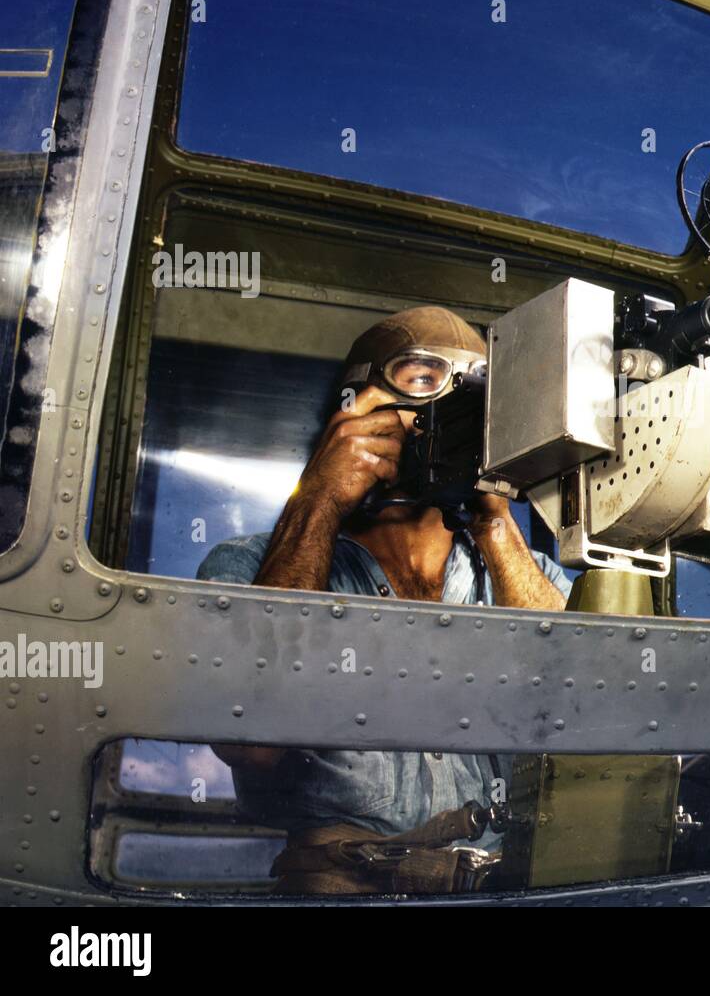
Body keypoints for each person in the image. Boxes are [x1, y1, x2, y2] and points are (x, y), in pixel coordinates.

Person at [197, 305, 570, 893]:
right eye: (422, 385)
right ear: (354, 408)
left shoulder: (526, 574)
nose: (442, 422)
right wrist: (317, 499)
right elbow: (251, 742)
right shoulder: (249, 567)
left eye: (470, 402)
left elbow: (587, 723)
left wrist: (495, 520)